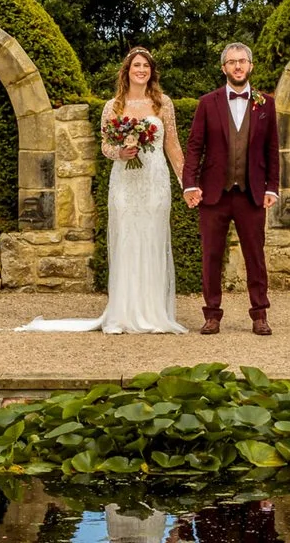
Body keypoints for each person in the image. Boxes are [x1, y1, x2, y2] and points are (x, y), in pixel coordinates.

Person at [15, 47, 189, 334]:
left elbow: (173, 147)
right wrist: (122, 152)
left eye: (146, 65)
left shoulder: (163, 103)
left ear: (152, 71)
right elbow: (106, 148)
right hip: (124, 181)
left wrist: (187, 184)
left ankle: (154, 315)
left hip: (154, 181)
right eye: (136, 65)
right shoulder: (113, 106)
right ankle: (122, 314)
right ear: (127, 71)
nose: (141, 70)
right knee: (127, 241)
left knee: (152, 240)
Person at [181, 41, 280, 336]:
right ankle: (212, 315)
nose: (237, 66)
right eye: (232, 62)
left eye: (242, 61)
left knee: (255, 256)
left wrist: (271, 188)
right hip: (214, 194)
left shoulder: (266, 104)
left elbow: (272, 149)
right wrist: (190, 184)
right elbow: (195, 147)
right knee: (211, 256)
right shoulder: (207, 103)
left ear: (250, 66)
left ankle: (259, 314)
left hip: (251, 194)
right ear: (223, 68)